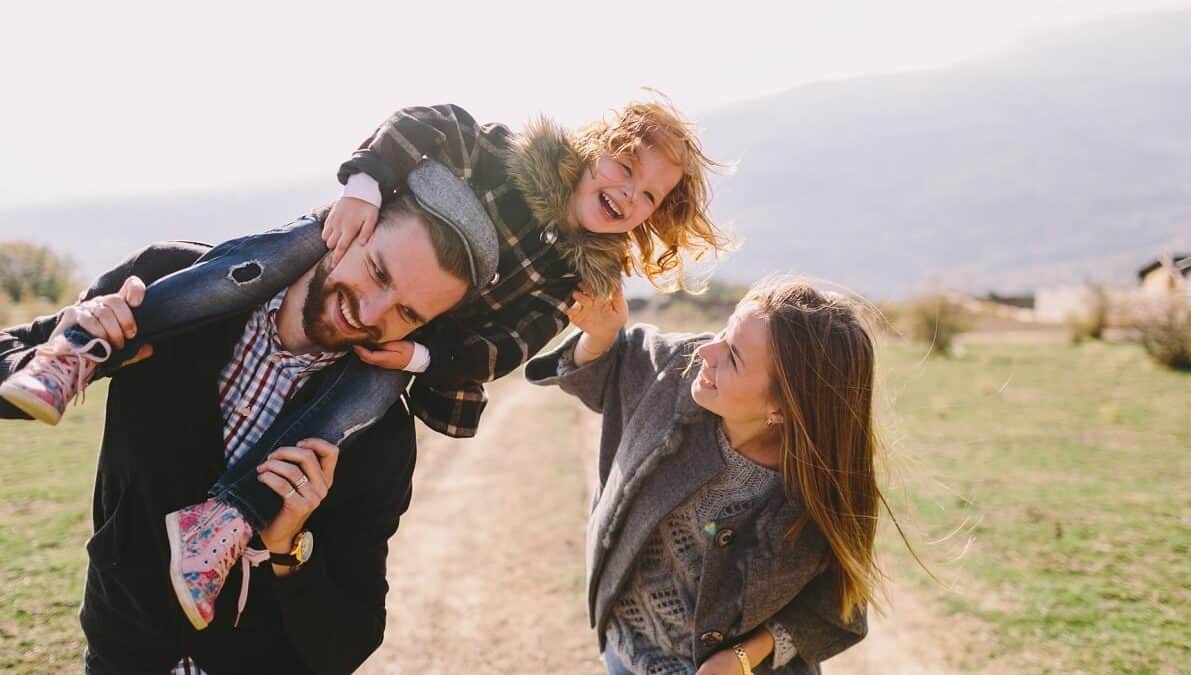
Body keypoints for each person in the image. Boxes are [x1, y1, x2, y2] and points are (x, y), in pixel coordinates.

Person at [0, 98, 731, 628]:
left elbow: (505, 348)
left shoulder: (571, 276)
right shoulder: (506, 153)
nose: (627, 193)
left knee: (361, 401)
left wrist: (418, 348)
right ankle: (80, 352)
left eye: (648, 195)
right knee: (264, 261)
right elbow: (418, 125)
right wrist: (367, 187)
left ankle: (228, 516)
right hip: (343, 229)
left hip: (412, 344)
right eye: (625, 167)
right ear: (595, 145)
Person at [0, 167, 496, 674]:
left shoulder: (380, 432)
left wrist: (289, 551)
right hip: (121, 655)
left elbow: (349, 644)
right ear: (347, 225)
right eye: (378, 271)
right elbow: (10, 356)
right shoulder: (175, 281)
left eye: (407, 313)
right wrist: (69, 338)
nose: (370, 312)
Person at [526, 277, 887, 674]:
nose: (706, 352)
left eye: (733, 356)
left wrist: (741, 657)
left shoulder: (820, 487)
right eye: (724, 332)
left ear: (782, 410)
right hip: (625, 650)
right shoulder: (676, 366)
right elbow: (606, 373)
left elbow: (837, 606)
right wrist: (599, 336)